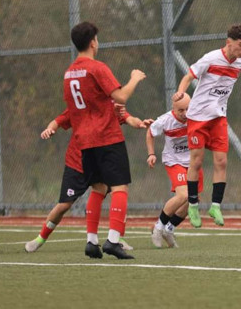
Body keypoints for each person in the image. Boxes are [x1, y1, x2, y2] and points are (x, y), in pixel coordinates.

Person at [63, 21, 146, 259]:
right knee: (119, 186)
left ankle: (91, 241)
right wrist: (134, 78)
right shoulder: (97, 67)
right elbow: (120, 96)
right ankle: (113, 240)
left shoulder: (69, 73)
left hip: (84, 140)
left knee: (98, 188)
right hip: (107, 137)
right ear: (93, 43)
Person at [26, 104, 149, 253]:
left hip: (100, 162)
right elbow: (58, 121)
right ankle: (40, 238)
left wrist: (140, 123)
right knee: (64, 205)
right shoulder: (80, 106)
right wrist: (50, 129)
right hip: (76, 164)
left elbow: (129, 118)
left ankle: (116, 239)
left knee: (118, 192)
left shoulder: (109, 106)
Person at [173, 24, 241, 228]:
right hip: (198, 117)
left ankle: (215, 206)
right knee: (197, 161)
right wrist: (181, 92)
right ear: (229, 43)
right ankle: (192, 205)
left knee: (221, 161)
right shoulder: (210, 58)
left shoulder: (240, 63)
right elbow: (189, 76)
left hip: (218, 117)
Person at [147, 94, 196, 248]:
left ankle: (169, 229)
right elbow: (150, 133)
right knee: (183, 195)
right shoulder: (166, 120)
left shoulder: (196, 115)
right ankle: (158, 227)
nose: (185, 113)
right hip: (174, 161)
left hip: (193, 162)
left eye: (188, 108)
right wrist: (151, 154)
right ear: (173, 108)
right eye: (181, 110)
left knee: (191, 201)